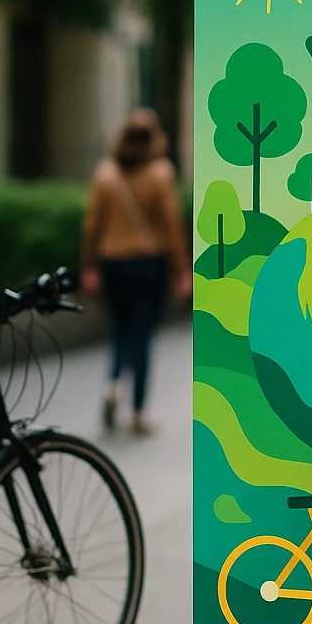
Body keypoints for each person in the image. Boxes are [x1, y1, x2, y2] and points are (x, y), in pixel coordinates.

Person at [81, 110, 192, 434]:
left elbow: (91, 226)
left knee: (121, 330)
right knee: (141, 335)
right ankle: (138, 411)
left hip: (112, 263)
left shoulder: (105, 175)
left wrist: (87, 265)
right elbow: (172, 226)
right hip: (147, 264)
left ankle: (112, 384)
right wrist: (181, 266)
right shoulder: (160, 173)